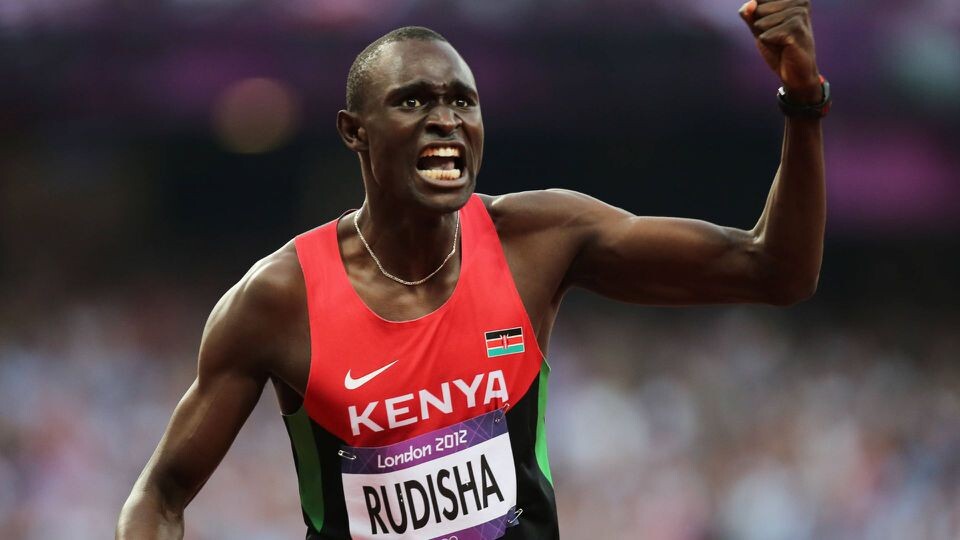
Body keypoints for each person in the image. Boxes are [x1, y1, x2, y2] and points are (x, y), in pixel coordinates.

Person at [116, 1, 827, 538]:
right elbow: (158, 496)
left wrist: (802, 100)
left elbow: (776, 271)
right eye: (413, 101)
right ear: (354, 132)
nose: (445, 119)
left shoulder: (537, 240)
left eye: (462, 100)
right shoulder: (279, 299)